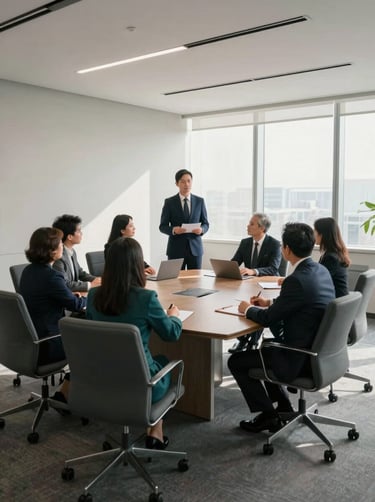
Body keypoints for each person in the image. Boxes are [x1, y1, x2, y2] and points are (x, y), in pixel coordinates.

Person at [228, 222, 335, 433]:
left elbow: (267, 319)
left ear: (286, 250)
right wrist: (270, 303)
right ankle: (283, 406)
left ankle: (268, 415)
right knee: (265, 350)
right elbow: (300, 302)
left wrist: (247, 309)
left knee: (236, 361)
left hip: (298, 357)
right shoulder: (320, 270)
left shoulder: (295, 280)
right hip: (321, 353)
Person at [86, 237, 182, 449]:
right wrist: (174, 315)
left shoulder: (93, 296)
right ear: (137, 266)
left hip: (101, 379)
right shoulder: (146, 298)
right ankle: (155, 430)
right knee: (164, 360)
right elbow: (171, 334)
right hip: (143, 386)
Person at [20, 227, 87, 405]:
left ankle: (68, 392)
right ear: (51, 251)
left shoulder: (27, 272)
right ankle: (66, 395)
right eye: (59, 244)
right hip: (49, 343)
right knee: (89, 345)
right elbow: (75, 305)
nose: (62, 248)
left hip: (27, 342)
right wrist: (87, 299)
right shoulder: (52, 277)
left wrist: (71, 296)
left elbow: (51, 298)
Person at [229, 212, 282, 353]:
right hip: (248, 285)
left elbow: (273, 268)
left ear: (262, 228)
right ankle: (243, 340)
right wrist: (227, 269)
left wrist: (255, 271)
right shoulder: (245, 243)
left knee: (256, 304)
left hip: (267, 286)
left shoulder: (274, 244)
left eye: (251, 224)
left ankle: (252, 341)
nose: (248, 226)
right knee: (239, 302)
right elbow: (234, 262)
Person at [159, 169, 209, 269]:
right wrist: (173, 230)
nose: (186, 184)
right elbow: (162, 226)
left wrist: (202, 230)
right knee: (175, 281)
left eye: (189, 181)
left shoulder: (200, 201)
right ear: (177, 183)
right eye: (182, 181)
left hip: (195, 250)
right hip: (175, 250)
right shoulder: (169, 202)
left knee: (195, 281)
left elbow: (206, 223)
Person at [52, 214, 101, 292]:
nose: (81, 233)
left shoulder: (72, 251)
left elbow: (80, 273)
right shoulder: (58, 257)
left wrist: (97, 280)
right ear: (70, 237)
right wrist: (90, 285)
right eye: (78, 231)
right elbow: (65, 284)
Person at [314, 217, 350, 297]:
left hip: (334, 303)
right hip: (338, 300)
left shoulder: (331, 258)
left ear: (322, 234)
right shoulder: (335, 253)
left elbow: (319, 281)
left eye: (315, 231)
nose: (314, 234)